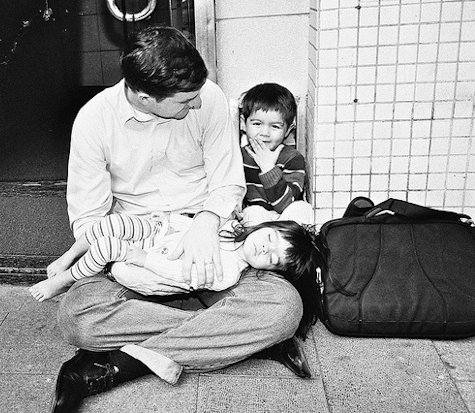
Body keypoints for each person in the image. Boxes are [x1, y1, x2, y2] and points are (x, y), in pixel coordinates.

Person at [50, 25, 316, 413]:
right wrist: (131, 254)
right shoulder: (94, 121)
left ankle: (118, 363)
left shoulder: (208, 97)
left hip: (212, 243)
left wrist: (206, 223)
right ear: (145, 97)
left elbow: (228, 182)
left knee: (284, 307)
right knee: (76, 317)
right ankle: (226, 335)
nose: (195, 105)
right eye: (185, 102)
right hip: (139, 248)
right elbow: (90, 220)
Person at [29, 213, 322, 302]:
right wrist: (167, 220)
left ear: (271, 270)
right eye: (270, 239)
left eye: (272, 259)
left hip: (156, 262)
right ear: (267, 228)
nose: (264, 249)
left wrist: (142, 257)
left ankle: (64, 281)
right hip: (160, 232)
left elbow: (181, 275)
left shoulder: (228, 271)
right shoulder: (235, 228)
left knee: (107, 246)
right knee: (111, 223)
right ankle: (69, 255)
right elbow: (197, 220)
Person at [238, 83, 311, 226]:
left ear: (288, 130)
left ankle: (289, 247)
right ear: (243, 124)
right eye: (257, 124)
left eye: (275, 126)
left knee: (303, 208)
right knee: (252, 212)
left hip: (286, 217)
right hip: (257, 221)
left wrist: (268, 169)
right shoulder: (239, 157)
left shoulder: (292, 158)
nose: (265, 133)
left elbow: (286, 204)